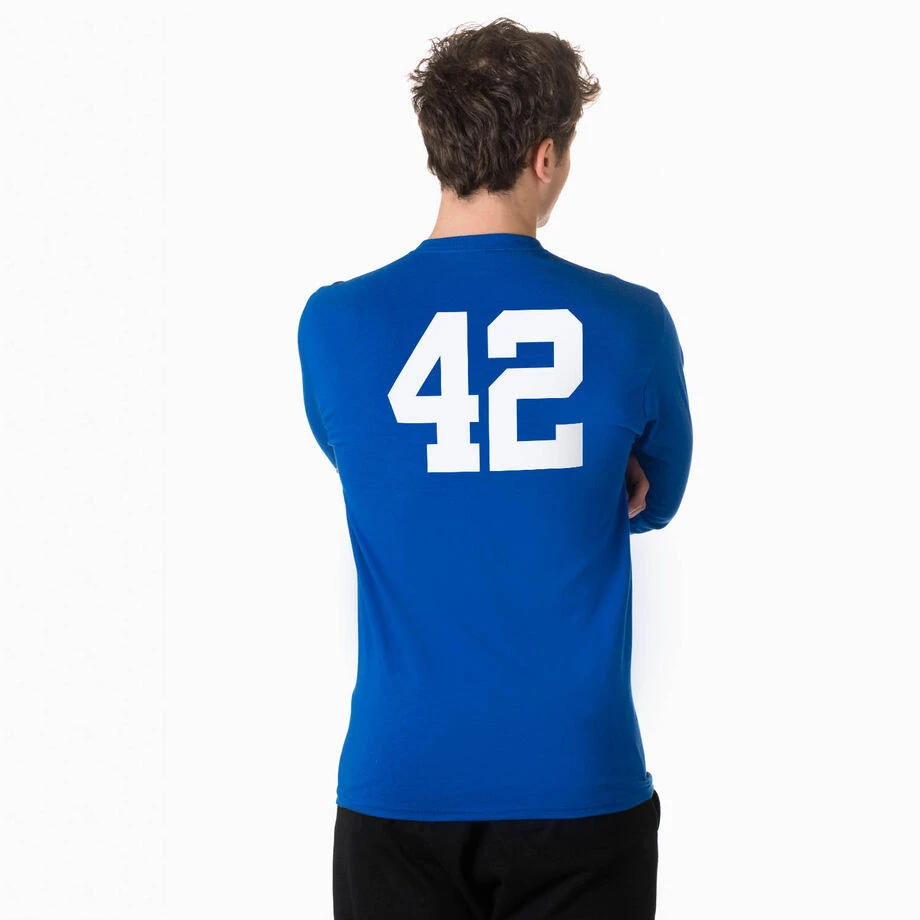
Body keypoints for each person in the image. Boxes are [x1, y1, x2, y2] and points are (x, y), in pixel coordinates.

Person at [297, 16, 693, 919]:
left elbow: (363, 462)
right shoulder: (631, 322)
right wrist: (594, 473)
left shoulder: (335, 324)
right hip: (579, 781)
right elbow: (658, 495)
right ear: (545, 157)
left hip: (400, 781)